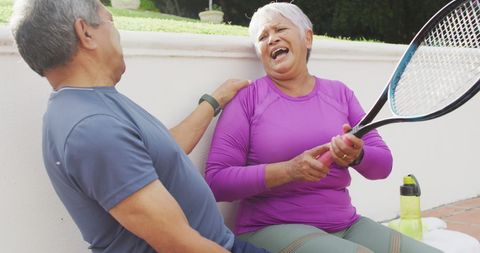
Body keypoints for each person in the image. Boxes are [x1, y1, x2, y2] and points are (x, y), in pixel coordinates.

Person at [10, 0, 271, 253]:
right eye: (110, 21)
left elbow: (160, 154)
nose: (116, 32)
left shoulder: (88, 104)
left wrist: (213, 102)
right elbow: (178, 244)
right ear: (85, 32)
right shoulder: (92, 128)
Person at [205, 2, 442, 253]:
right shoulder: (248, 99)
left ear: (307, 37)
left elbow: (383, 165)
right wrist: (289, 170)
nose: (272, 39)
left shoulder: (339, 93)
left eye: (279, 29)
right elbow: (217, 181)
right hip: (270, 227)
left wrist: (357, 155)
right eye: (263, 37)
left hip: (347, 224)